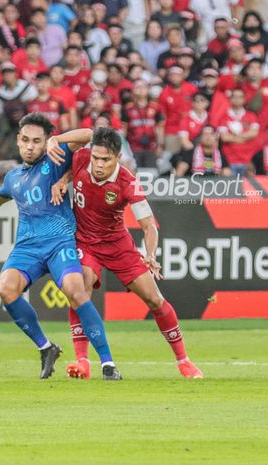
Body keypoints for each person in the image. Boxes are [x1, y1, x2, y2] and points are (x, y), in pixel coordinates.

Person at [0, 114, 122, 380]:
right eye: (25, 140)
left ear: (45, 142)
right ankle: (46, 348)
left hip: (59, 242)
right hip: (27, 248)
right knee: (6, 290)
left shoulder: (56, 158)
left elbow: (89, 134)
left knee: (76, 291)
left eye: (37, 141)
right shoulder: (13, 178)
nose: (30, 146)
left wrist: (58, 139)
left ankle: (107, 363)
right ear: (18, 142)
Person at [48, 127, 203, 380]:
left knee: (154, 299)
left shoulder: (127, 182)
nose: (98, 164)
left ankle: (184, 361)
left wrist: (150, 255)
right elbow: (75, 159)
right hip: (85, 242)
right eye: (96, 158)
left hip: (118, 246)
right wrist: (63, 179)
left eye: (105, 160)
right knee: (81, 285)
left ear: (118, 158)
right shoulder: (81, 159)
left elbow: (149, 225)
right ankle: (82, 361)